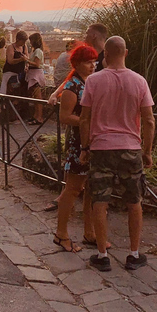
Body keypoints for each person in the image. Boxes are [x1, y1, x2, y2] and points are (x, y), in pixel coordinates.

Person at [80, 36, 155, 272]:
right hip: (130, 148)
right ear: (126, 52)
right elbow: (149, 120)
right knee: (134, 202)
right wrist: (147, 151)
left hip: (101, 148)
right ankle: (133, 253)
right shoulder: (139, 81)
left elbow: (84, 118)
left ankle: (102, 255)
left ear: (105, 55)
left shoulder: (93, 81)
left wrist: (85, 148)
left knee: (99, 201)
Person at [53, 44, 102, 253]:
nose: (92, 66)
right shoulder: (72, 86)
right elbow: (64, 117)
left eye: (94, 62)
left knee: (90, 189)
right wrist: (86, 122)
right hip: (77, 143)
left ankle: (89, 232)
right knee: (73, 188)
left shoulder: (89, 82)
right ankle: (61, 234)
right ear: (77, 64)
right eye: (88, 62)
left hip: (91, 140)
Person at [26, 32, 46, 125]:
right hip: (33, 74)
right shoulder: (35, 51)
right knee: (35, 97)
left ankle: (39, 117)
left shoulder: (38, 51)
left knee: (38, 97)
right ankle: (35, 115)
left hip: (36, 74)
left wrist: (26, 60)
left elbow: (37, 64)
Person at [0, 30, 28, 95]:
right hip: (10, 72)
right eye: (23, 41)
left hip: (20, 73)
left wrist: (26, 65)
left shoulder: (24, 47)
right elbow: (10, 61)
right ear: (18, 39)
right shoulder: (11, 47)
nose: (23, 43)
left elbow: (27, 57)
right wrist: (20, 59)